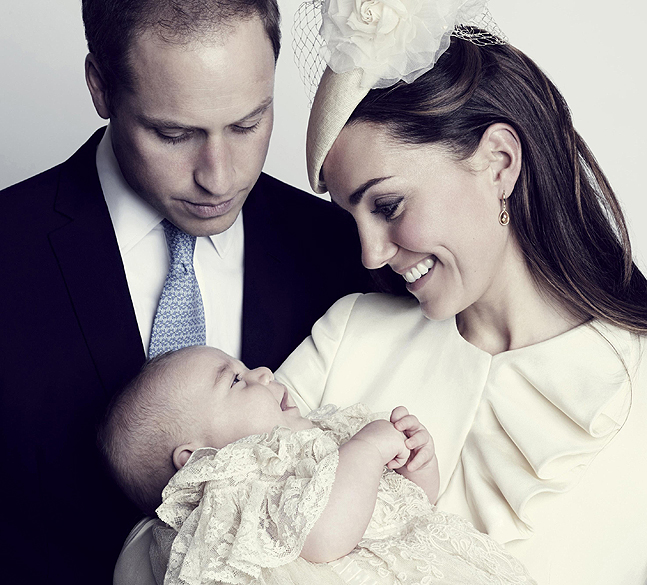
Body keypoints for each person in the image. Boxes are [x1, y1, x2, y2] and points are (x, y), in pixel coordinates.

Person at [274, 1, 647, 584]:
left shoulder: (637, 389)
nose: (370, 254)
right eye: (354, 220)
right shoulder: (348, 334)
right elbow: (196, 522)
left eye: (389, 205)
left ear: (499, 161)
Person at [0, 1, 369, 582]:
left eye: (249, 124)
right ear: (100, 87)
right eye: (173, 134)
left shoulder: (348, 251)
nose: (219, 177)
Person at [99, 345, 536, 585]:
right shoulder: (235, 489)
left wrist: (414, 472)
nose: (264, 372)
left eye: (245, 366)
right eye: (234, 380)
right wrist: (366, 450)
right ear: (196, 461)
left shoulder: (324, 435)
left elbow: (401, 513)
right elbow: (323, 534)